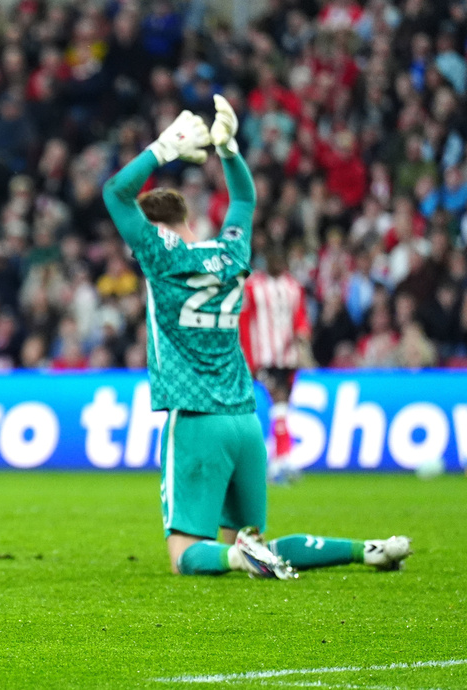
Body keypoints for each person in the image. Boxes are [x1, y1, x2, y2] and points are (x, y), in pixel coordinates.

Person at [101, 96, 410, 579]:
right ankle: (366, 549)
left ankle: (239, 558)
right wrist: (228, 150)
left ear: (156, 230)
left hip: (197, 419)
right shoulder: (230, 253)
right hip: (246, 420)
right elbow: (244, 200)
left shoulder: (160, 260)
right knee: (254, 539)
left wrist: (164, 147)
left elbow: (116, 193)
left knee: (188, 555)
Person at [238, 243, 311, 483]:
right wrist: (248, 359)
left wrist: (302, 335)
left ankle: (279, 460)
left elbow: (300, 317)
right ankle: (282, 458)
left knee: (282, 407)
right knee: (278, 400)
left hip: (288, 358)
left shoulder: (293, 287)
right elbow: (244, 322)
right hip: (264, 358)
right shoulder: (253, 286)